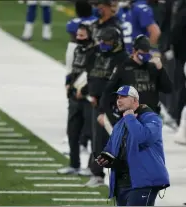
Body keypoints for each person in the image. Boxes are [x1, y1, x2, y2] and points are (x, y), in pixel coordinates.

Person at [96, 85, 170, 206]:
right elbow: (110, 149)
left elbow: (143, 138)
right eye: (118, 97)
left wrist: (130, 118)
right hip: (122, 183)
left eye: (123, 97)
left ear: (135, 100)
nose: (119, 100)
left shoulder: (152, 119)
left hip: (143, 182)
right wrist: (106, 159)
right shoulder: (120, 124)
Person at [85, 26, 129, 187]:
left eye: (107, 41)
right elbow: (90, 74)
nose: (103, 44)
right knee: (98, 140)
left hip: (114, 105)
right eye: (102, 40)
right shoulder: (96, 54)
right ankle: (97, 173)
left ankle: (123, 174)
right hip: (98, 103)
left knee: (119, 141)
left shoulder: (123, 58)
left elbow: (120, 83)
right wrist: (91, 93)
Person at [98, 34, 172, 122]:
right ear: (134, 51)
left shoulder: (153, 67)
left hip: (151, 116)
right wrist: (103, 112)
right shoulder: (123, 67)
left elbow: (168, 89)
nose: (145, 54)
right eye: (142, 51)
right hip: (130, 117)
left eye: (147, 51)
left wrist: (161, 69)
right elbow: (108, 91)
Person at [57, 23, 97, 175]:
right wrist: (68, 84)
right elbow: (72, 70)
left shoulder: (95, 52)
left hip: (87, 98)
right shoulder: (77, 50)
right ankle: (74, 164)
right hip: (74, 96)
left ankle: (91, 167)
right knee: (72, 132)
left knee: (92, 134)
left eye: (82, 36)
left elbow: (94, 74)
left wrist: (85, 90)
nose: (78, 38)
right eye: (77, 35)